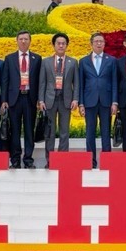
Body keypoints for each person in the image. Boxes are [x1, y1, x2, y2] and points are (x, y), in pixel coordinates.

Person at [1, 30, 42, 168]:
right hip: (14, 99)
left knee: (29, 131)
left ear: (30, 41)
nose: (23, 41)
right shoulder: (9, 58)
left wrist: (39, 99)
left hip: (30, 99)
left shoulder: (37, 58)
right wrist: (4, 100)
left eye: (26, 39)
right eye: (21, 39)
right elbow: (5, 80)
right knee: (15, 131)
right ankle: (15, 160)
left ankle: (28, 159)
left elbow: (39, 81)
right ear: (17, 41)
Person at [38, 33, 79, 169]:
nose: (61, 45)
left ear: (67, 45)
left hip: (65, 100)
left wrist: (75, 99)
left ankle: (62, 159)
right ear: (54, 45)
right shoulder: (46, 62)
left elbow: (76, 83)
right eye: (58, 43)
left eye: (63, 43)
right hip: (50, 100)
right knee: (49, 132)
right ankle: (50, 160)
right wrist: (41, 100)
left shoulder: (73, 62)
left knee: (64, 131)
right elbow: (42, 83)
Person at [78, 32, 118, 169]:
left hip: (106, 101)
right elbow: (81, 84)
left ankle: (107, 161)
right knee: (90, 132)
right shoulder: (83, 61)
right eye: (96, 41)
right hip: (89, 101)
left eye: (101, 41)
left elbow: (114, 82)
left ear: (104, 44)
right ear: (91, 43)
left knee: (106, 132)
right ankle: (91, 161)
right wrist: (81, 103)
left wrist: (114, 102)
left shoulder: (111, 60)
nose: (99, 43)